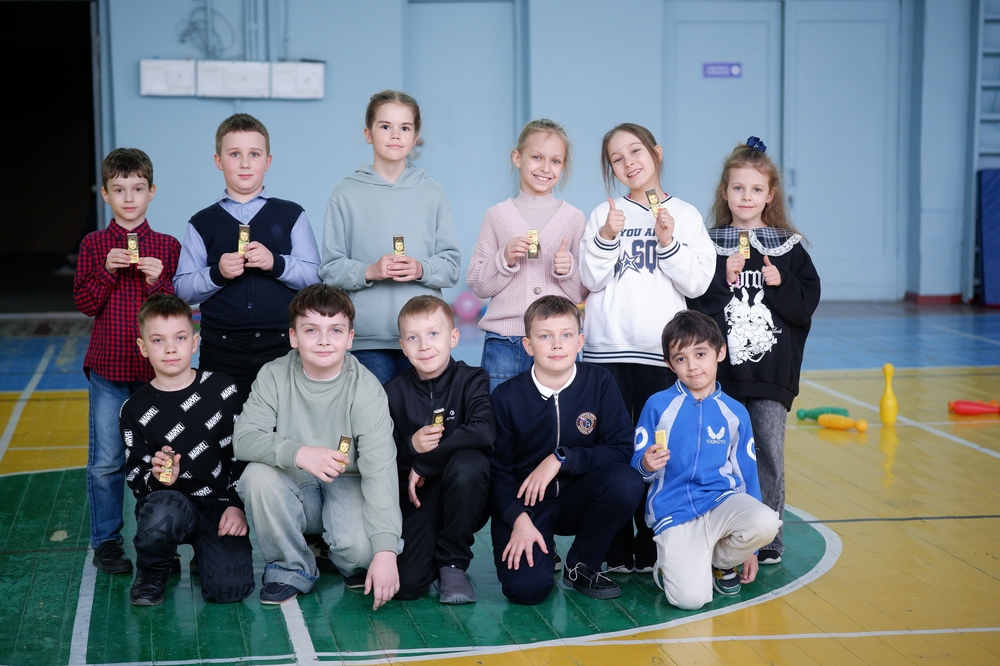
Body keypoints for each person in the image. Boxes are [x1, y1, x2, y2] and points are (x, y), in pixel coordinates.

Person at [579, 122, 716, 574]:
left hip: (660, 355)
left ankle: (655, 540)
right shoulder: (604, 213)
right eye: (617, 158)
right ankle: (617, 546)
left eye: (635, 151)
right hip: (607, 350)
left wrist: (668, 242)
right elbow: (589, 278)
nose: (628, 162)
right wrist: (606, 236)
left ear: (656, 153)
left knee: (659, 448)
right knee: (614, 449)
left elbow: (697, 283)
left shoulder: (687, 215)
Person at [687, 137, 820, 565]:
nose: (746, 196)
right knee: (717, 453)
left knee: (767, 453)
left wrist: (781, 283)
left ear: (770, 195)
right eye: (738, 188)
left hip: (769, 375)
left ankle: (769, 535)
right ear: (725, 192)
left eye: (756, 189)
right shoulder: (707, 244)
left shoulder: (788, 247)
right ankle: (721, 529)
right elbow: (694, 304)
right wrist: (720, 280)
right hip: (720, 375)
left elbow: (804, 306)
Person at [234, 284, 402, 609]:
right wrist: (300, 453)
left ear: (350, 339)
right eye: (311, 330)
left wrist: (385, 551)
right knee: (257, 476)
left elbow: (380, 471)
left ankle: (338, 551)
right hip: (295, 478)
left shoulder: (366, 389)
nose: (324, 340)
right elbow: (244, 439)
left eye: (335, 330)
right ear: (293, 337)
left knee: (363, 553)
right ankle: (290, 567)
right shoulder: (273, 375)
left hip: (348, 482)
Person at [489, 296, 643, 604]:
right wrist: (517, 518)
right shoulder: (506, 397)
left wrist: (563, 458)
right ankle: (539, 548)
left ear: (580, 342)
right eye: (545, 336)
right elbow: (496, 470)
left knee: (627, 481)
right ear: (528, 345)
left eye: (567, 335)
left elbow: (621, 448)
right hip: (528, 503)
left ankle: (581, 565)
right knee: (526, 590)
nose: (557, 345)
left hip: (580, 498)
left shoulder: (600, 382)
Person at [74, 148, 181, 574]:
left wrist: (159, 280)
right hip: (109, 372)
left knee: (161, 459)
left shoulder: (167, 246)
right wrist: (105, 271)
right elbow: (86, 304)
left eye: (137, 188)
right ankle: (106, 543)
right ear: (105, 194)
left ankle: (160, 541)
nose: (129, 197)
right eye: (119, 190)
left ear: (152, 192)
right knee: (107, 462)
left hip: (158, 376)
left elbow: (176, 312)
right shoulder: (93, 244)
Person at [633, 310, 781, 610]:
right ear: (669, 364)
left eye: (700, 354)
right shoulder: (658, 405)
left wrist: (750, 551)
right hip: (675, 512)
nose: (692, 366)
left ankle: (721, 562)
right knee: (691, 600)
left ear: (720, 352)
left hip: (721, 503)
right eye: (681, 358)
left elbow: (747, 474)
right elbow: (637, 462)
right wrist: (646, 464)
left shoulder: (735, 412)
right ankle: (672, 565)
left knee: (766, 522)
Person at [173, 112, 321, 411]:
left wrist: (275, 263)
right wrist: (217, 273)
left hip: (283, 342)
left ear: (268, 161)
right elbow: (182, 290)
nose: (244, 163)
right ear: (218, 161)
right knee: (222, 424)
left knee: (283, 421)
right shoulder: (201, 222)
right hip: (221, 346)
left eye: (254, 154)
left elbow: (315, 277)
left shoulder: (291, 214)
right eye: (234, 154)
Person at [120, 294, 253, 606]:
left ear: (194, 343)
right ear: (142, 347)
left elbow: (243, 454)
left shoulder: (223, 388)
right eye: (158, 340)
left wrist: (237, 505)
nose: (170, 349)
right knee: (161, 513)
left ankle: (207, 555)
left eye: (180, 338)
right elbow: (135, 476)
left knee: (230, 590)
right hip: (168, 503)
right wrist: (157, 478)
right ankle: (154, 568)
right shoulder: (134, 408)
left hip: (219, 506)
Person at [320, 90, 460, 384]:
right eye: (385, 126)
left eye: (405, 128)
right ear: (368, 134)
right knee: (374, 414)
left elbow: (451, 267)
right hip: (367, 341)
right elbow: (330, 269)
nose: (395, 135)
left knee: (424, 414)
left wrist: (420, 268)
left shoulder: (432, 193)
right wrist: (369, 271)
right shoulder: (345, 194)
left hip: (424, 340)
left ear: (415, 136)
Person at [384, 296, 494, 604]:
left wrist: (425, 461)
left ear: (453, 337)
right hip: (418, 500)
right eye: (413, 338)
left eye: (434, 334)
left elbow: (484, 431)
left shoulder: (472, 379)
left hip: (465, 493)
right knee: (406, 587)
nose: (424, 346)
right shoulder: (393, 392)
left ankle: (453, 563)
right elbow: (382, 455)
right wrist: (411, 447)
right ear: (403, 346)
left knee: (469, 461)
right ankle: (431, 553)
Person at [467, 119, 588, 392]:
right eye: (537, 157)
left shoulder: (574, 218)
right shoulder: (496, 215)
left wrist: (568, 269)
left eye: (555, 161)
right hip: (505, 342)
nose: (545, 168)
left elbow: (580, 292)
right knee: (501, 415)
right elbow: (477, 283)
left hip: (557, 343)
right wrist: (504, 259)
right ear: (517, 158)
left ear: (563, 166)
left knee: (559, 414)